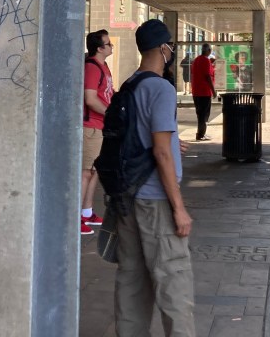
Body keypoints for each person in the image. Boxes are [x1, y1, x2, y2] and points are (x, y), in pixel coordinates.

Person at [114, 19, 195, 337]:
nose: (172, 52)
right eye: (171, 47)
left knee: (132, 281)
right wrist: (179, 208)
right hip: (156, 200)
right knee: (173, 282)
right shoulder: (161, 88)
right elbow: (161, 153)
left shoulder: (130, 84)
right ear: (164, 49)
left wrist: (174, 143)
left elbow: (143, 137)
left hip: (127, 198)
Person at [82, 29, 113, 235]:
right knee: (85, 173)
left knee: (94, 172)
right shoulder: (92, 68)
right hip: (91, 127)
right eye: (109, 44)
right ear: (100, 48)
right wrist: (111, 114)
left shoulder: (104, 66)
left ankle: (86, 212)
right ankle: (76, 217)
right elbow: (90, 99)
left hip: (99, 127)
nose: (111, 47)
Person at [189, 43, 216, 141]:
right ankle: (200, 134)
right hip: (204, 91)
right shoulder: (206, 60)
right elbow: (207, 76)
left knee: (200, 113)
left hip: (196, 91)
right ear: (208, 50)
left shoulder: (196, 60)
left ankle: (200, 133)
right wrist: (213, 91)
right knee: (204, 114)